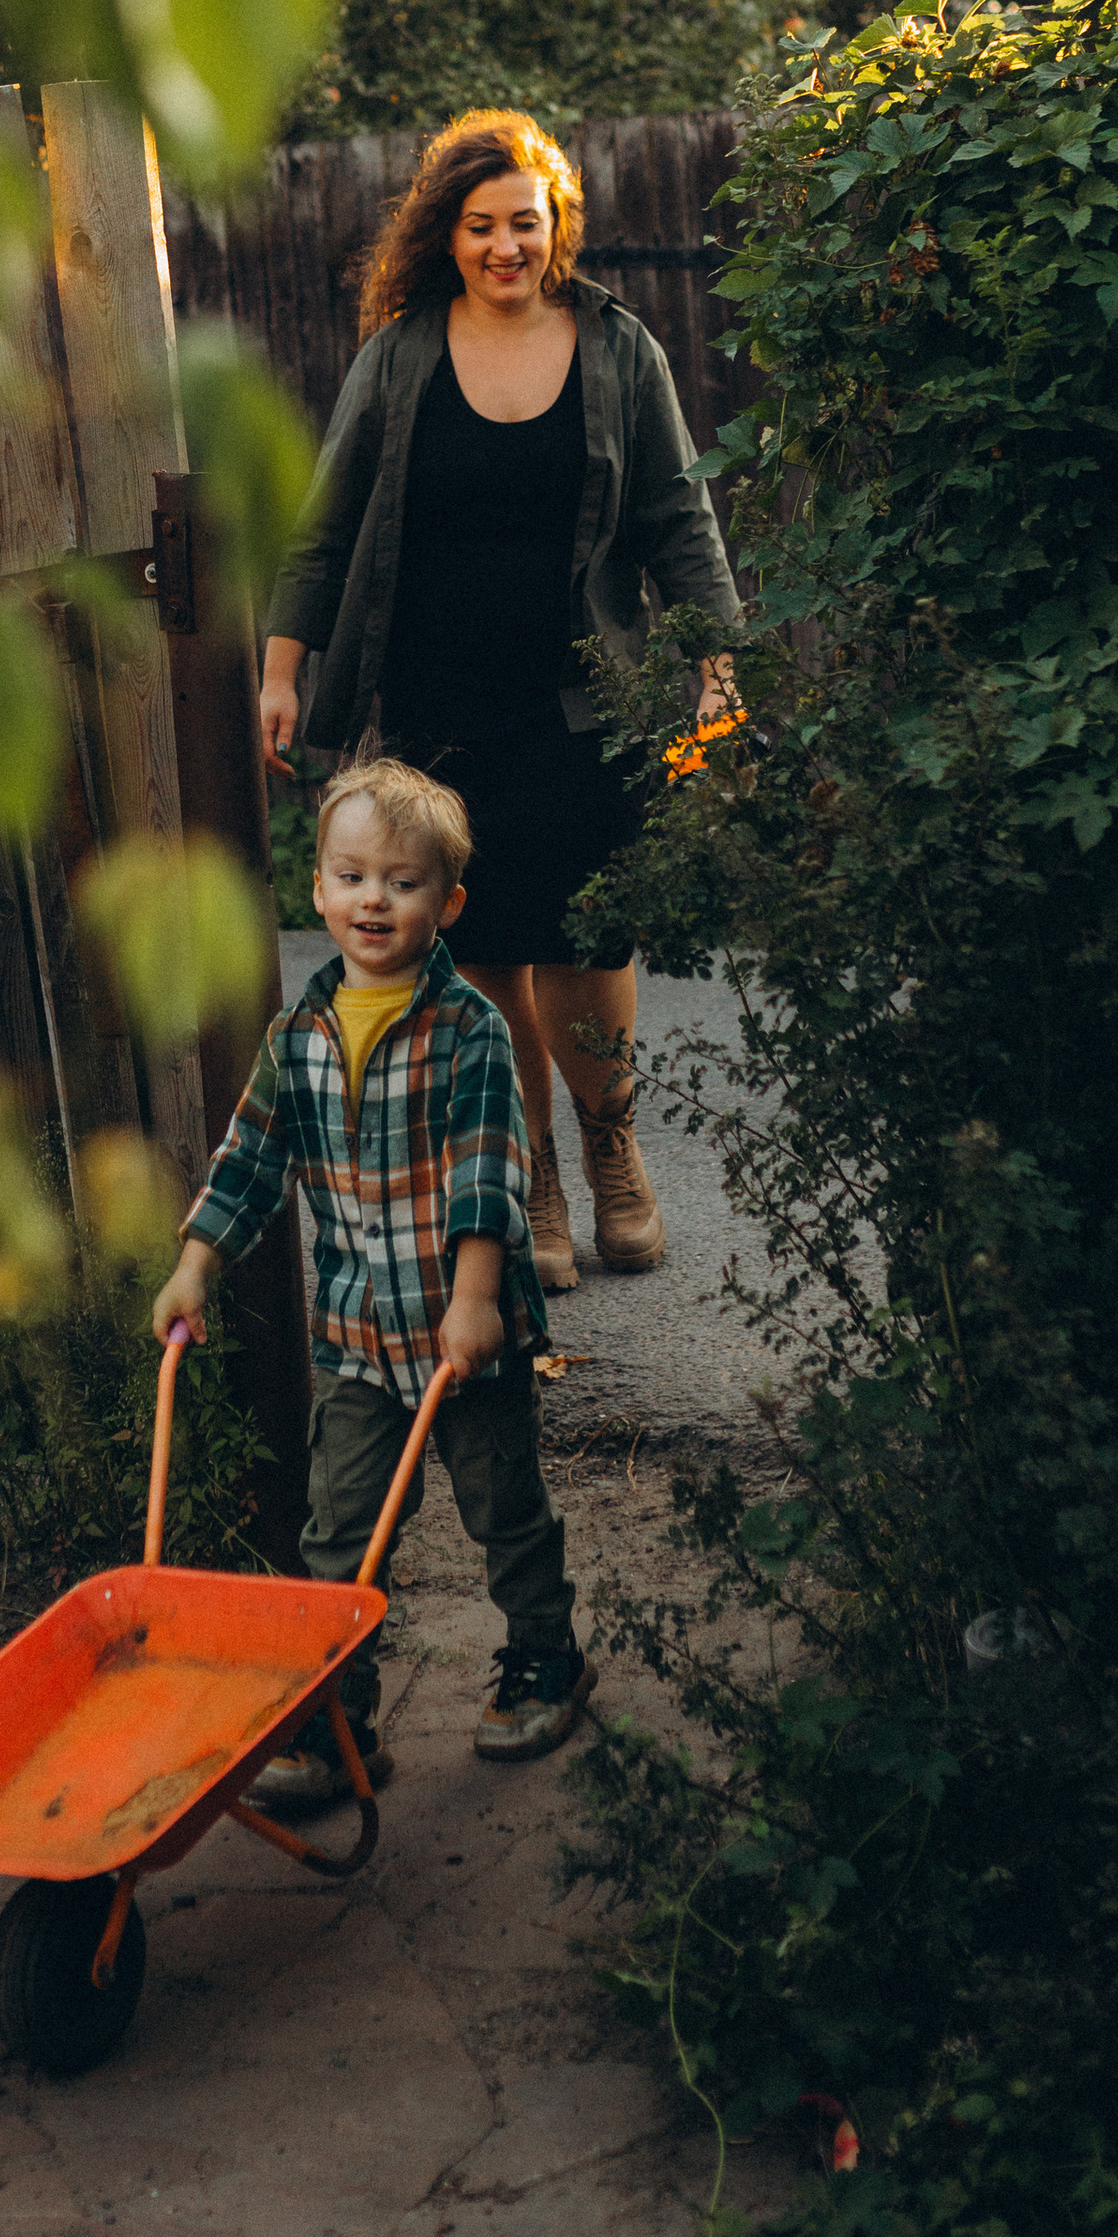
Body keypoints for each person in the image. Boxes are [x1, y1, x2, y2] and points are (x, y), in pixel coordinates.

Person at [256, 109, 739, 1289]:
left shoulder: (619, 349)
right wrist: (280, 667)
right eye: (480, 226)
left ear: (556, 224)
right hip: (439, 701)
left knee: (586, 936)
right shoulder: (399, 357)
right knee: (477, 947)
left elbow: (678, 516)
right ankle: (534, 1179)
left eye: (524, 222)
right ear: (448, 233)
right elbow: (324, 524)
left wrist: (718, 665)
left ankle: (610, 1147)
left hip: (586, 700)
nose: (504, 246)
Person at [148, 753, 590, 1805]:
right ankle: (340, 1717)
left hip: (463, 1335)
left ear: (449, 903)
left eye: (402, 882)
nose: (374, 901)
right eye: (352, 878)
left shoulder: (470, 1031)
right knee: (339, 1532)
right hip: (355, 1339)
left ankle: (545, 1654)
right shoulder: (297, 1038)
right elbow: (249, 1161)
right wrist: (196, 1264)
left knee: (503, 1509)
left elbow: (488, 1174)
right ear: (317, 890)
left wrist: (475, 1300)